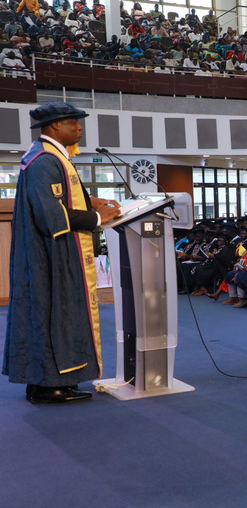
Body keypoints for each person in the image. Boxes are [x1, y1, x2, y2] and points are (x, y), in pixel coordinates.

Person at [3, 102, 122, 404]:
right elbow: (49, 214)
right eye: (73, 122)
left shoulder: (50, 155)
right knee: (56, 314)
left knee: (54, 313)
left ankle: (49, 382)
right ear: (55, 125)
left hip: (53, 251)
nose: (79, 128)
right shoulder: (45, 160)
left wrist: (90, 201)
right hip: (51, 255)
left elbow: (59, 195)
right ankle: (49, 386)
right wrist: (98, 218)